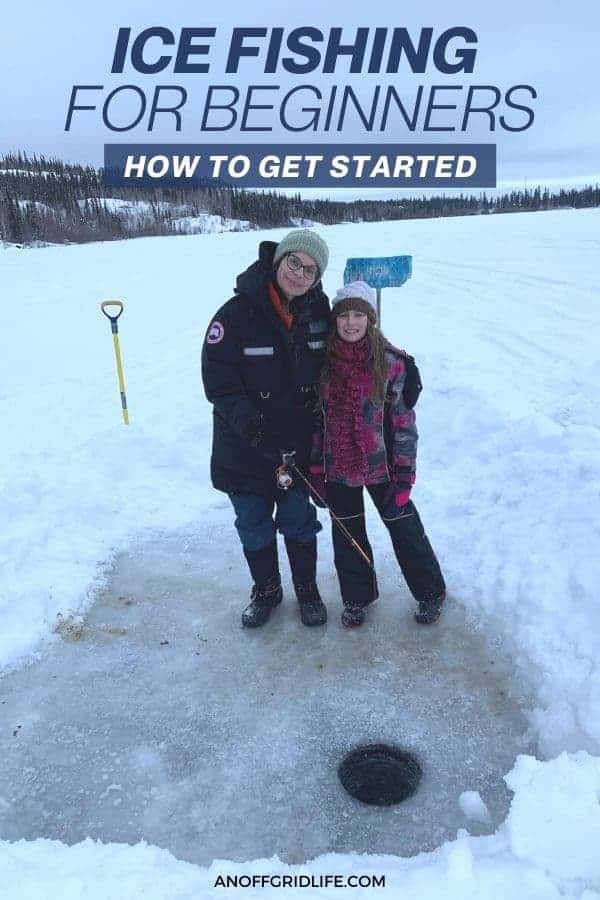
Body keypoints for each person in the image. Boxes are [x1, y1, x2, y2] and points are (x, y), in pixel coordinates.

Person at [202, 230, 331, 628]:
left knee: (298, 520)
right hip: (243, 448)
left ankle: (306, 589)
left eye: (310, 270)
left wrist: (396, 363)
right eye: (294, 263)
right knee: (253, 523)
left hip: (295, 449)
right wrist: (254, 429)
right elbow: (219, 384)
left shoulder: (319, 314)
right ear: (278, 262)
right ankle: (267, 589)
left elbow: (350, 353)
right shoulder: (235, 314)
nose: (300, 274)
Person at [309, 281, 446, 627]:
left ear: (370, 319)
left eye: (359, 315)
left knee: (405, 529)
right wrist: (314, 468)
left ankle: (431, 591)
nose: (351, 323)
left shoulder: (391, 363)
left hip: (383, 467)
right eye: (344, 315)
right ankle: (357, 599)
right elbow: (315, 421)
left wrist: (405, 472)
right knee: (348, 536)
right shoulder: (322, 363)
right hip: (338, 467)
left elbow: (403, 423)